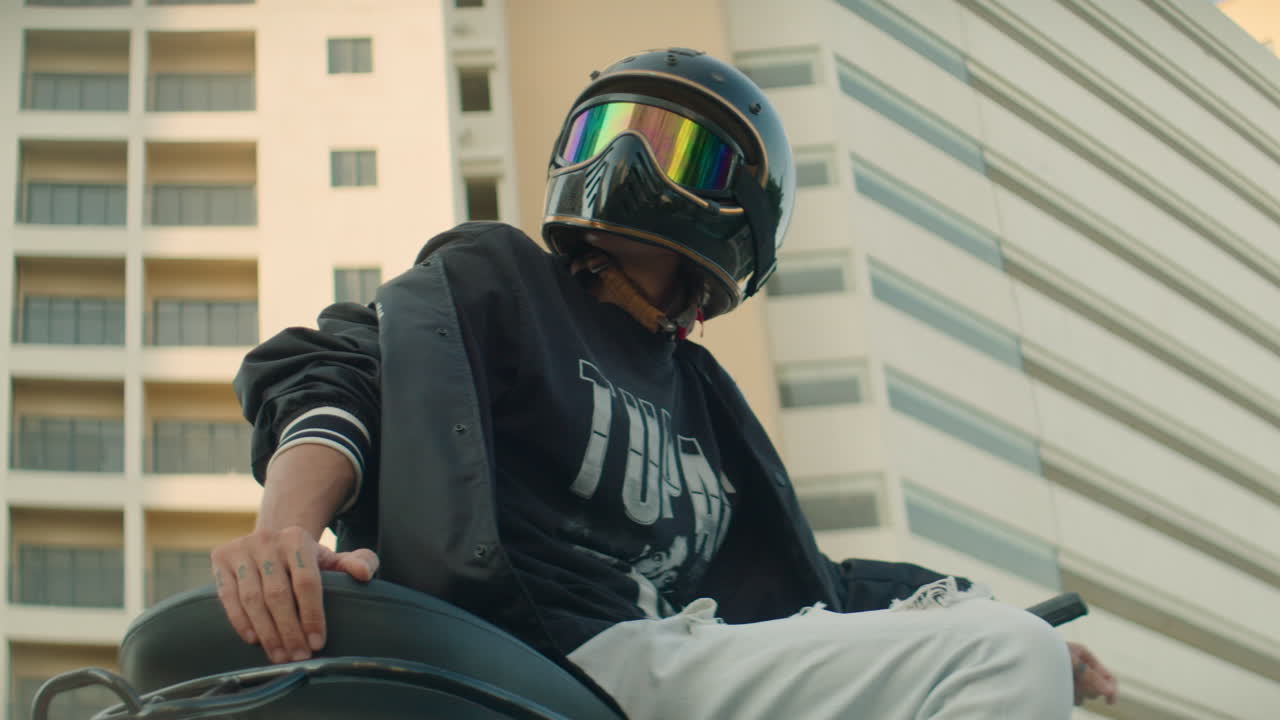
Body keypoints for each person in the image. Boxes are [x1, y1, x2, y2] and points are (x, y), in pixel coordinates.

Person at [211, 48, 1118, 718]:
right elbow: (340, 372)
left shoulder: (706, 398)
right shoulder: (502, 280)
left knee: (1003, 645)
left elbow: (816, 586)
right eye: (607, 136)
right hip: (545, 653)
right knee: (999, 652)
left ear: (743, 216)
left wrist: (1006, 626)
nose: (628, 166)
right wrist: (285, 529)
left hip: (687, 659)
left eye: (678, 151)